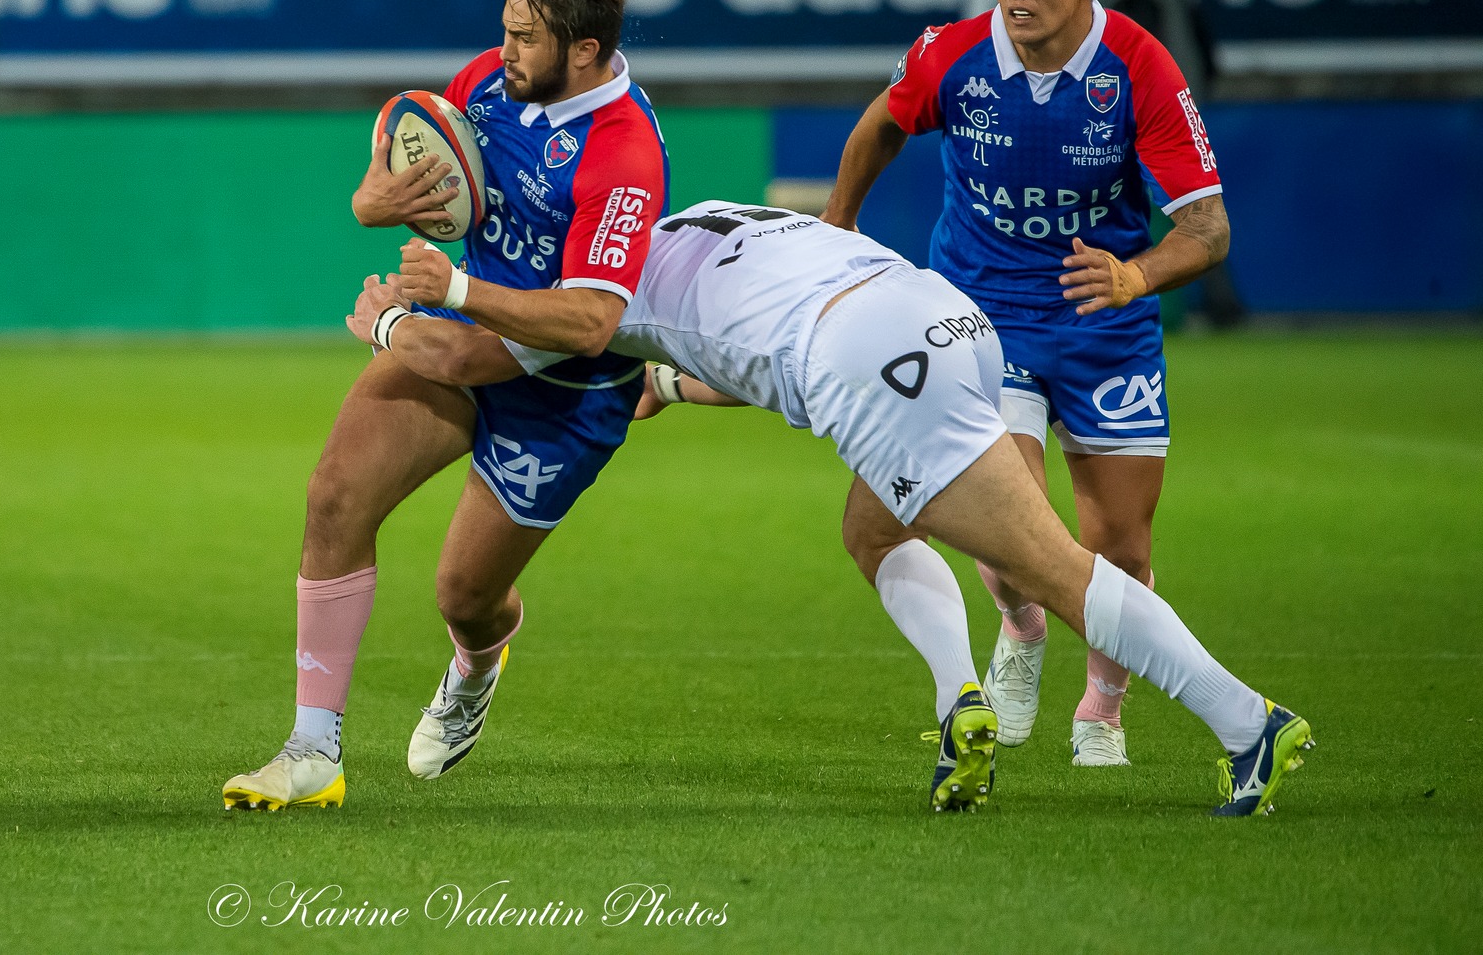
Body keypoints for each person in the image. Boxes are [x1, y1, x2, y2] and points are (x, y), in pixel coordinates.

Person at [355, 199, 1314, 816]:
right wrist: (670, 389)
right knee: (871, 524)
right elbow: (742, 342)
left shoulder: (591, 299)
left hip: (866, 360)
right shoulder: (710, 217)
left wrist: (388, 322)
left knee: (1048, 566)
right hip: (942, 315)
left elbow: (467, 357)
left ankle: (1247, 724)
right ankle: (960, 706)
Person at [221, 0, 669, 811]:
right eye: (503, 29)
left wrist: (418, 304)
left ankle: (478, 657)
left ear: (584, 51)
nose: (501, 54)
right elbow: (397, 157)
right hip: (461, 327)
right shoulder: (492, 83)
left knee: (465, 594)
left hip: (563, 388)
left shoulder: (622, 154)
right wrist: (372, 200)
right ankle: (313, 749)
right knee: (335, 496)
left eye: (524, 40)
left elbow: (588, 321)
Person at [820, 0, 1233, 771]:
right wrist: (838, 228)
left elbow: (1207, 230)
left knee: (1118, 542)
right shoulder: (951, 55)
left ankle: (1104, 705)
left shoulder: (1142, 69)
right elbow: (877, 129)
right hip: (977, 317)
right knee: (1007, 536)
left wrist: (1135, 274)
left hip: (1102, 322)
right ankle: (1018, 626)